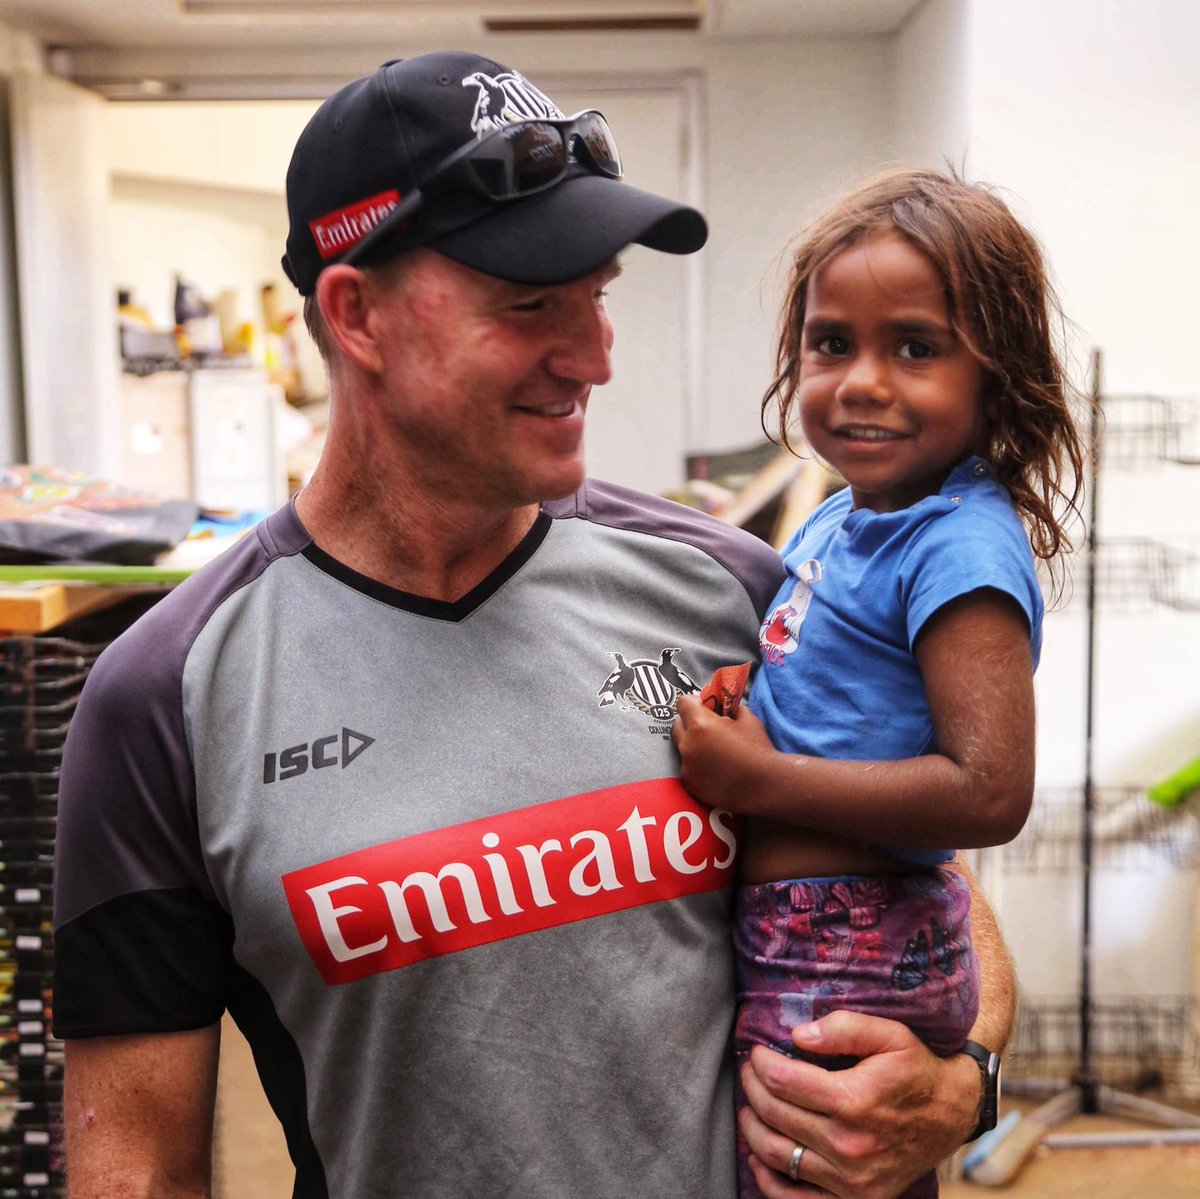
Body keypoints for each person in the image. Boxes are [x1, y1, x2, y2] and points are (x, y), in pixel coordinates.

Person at [54, 58, 1015, 1199]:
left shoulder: (733, 590)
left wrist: (965, 1082)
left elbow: (941, 892)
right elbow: (136, 1166)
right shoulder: (166, 697)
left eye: (597, 294)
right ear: (357, 314)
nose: (596, 356)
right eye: (532, 307)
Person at [673, 169, 1086, 1198]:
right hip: (806, 927)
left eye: (914, 346)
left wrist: (756, 782)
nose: (861, 379)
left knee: (808, 1168)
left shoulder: (961, 546)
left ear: (998, 374)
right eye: (830, 343)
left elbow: (987, 790)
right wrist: (752, 687)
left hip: (856, 936)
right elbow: (831, 674)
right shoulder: (841, 512)